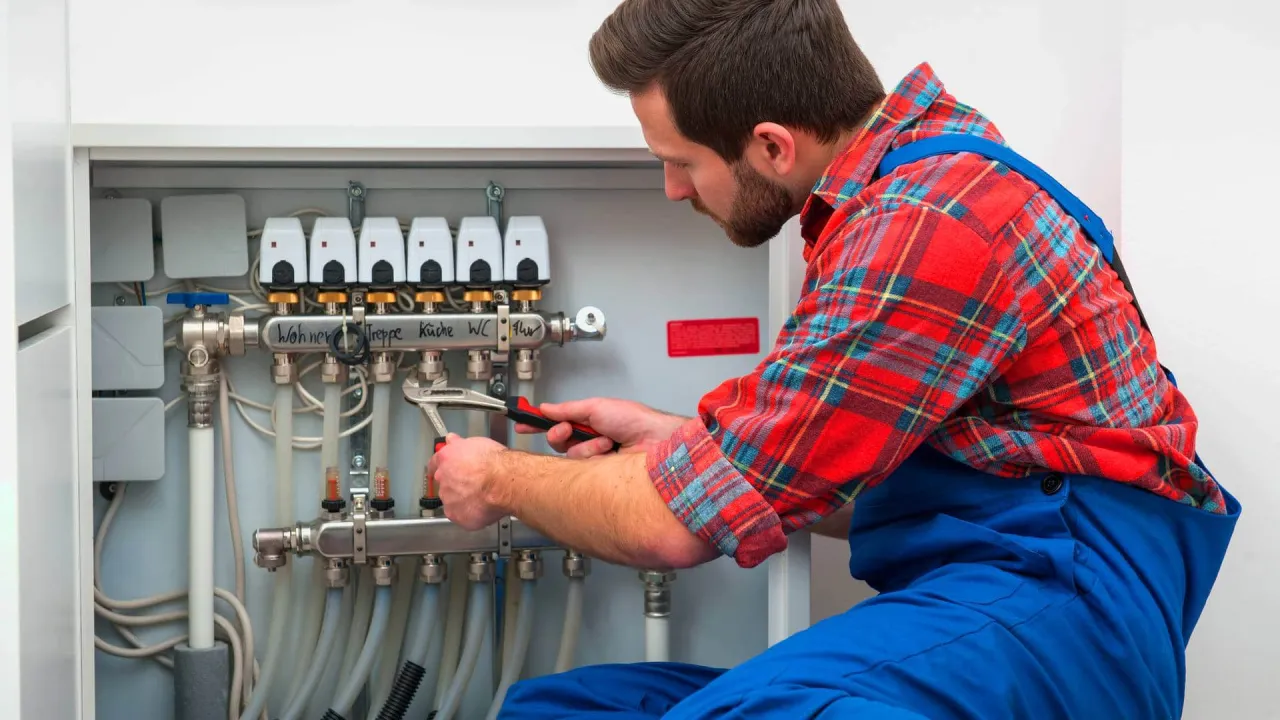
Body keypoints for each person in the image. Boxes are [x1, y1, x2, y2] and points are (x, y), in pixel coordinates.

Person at [427, 0, 1241, 717]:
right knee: (566, 708)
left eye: (680, 161)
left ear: (773, 145)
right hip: (995, 588)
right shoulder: (894, 200)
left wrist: (496, 480)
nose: (674, 189)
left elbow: (671, 530)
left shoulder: (926, 225)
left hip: (1067, 615)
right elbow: (837, 482)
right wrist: (672, 437)